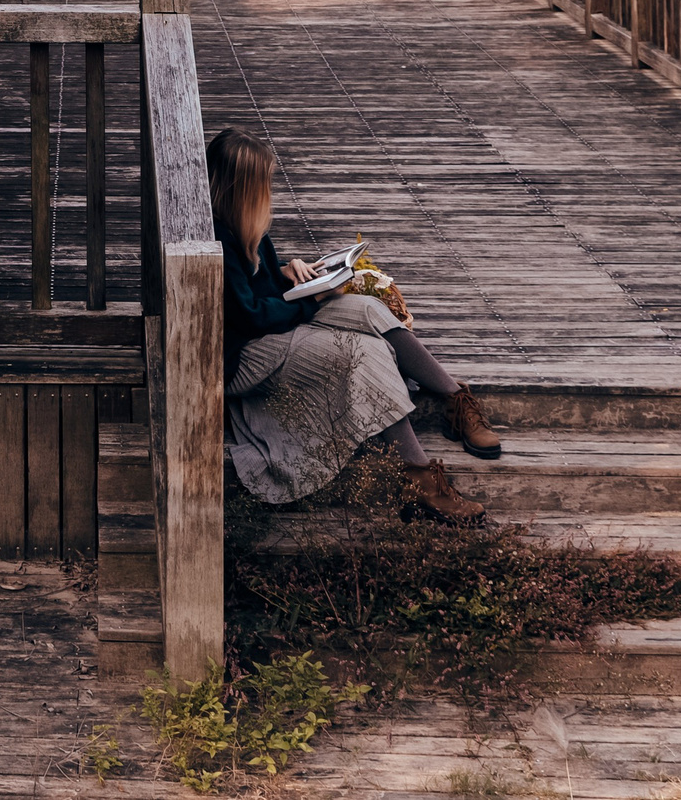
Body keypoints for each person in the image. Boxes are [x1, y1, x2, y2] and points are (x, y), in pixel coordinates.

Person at [210, 126, 500, 523]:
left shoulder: (243, 225)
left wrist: (287, 271)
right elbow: (249, 315)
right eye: (264, 183)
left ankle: (454, 399)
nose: (269, 191)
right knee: (362, 352)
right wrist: (310, 300)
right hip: (246, 355)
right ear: (242, 187)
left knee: (367, 308)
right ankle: (419, 483)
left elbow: (254, 284)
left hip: (271, 323)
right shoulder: (218, 240)